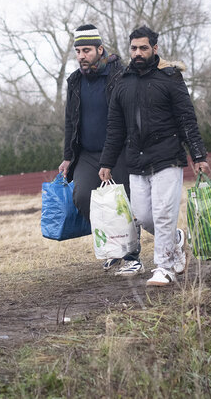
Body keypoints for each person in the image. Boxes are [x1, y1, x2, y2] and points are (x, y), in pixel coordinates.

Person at [99, 25, 210, 287]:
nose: (138, 53)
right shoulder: (121, 82)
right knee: (143, 217)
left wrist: (198, 154)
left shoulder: (170, 78)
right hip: (135, 160)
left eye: (143, 48)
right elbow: (115, 127)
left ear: (155, 49)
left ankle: (164, 267)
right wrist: (106, 161)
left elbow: (186, 118)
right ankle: (176, 240)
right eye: (134, 48)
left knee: (162, 214)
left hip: (167, 157)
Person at [58, 24, 143, 276]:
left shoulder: (119, 74)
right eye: (78, 51)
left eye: (86, 50)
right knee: (83, 197)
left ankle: (132, 256)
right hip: (87, 154)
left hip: (118, 151)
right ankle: (115, 247)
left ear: (100, 49)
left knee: (122, 203)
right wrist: (67, 156)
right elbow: (70, 121)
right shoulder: (74, 81)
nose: (82, 56)